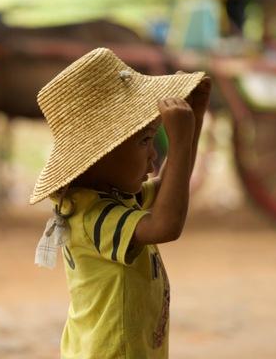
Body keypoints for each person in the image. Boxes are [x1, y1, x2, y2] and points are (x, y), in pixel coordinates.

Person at [30, 47, 210, 358]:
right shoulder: (94, 217)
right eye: (144, 141)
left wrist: (195, 118)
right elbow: (166, 225)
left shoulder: (109, 196)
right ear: (97, 157)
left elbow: (168, 188)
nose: (154, 155)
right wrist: (179, 141)